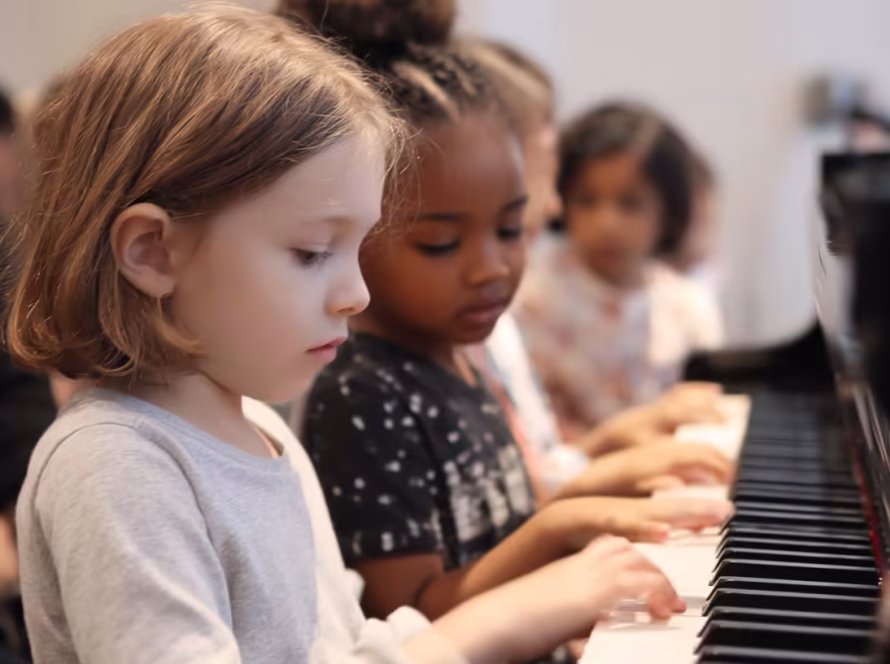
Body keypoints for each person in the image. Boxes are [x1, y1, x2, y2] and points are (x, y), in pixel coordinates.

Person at [7, 7, 686, 663]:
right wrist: (516, 612)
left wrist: (535, 602)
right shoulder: (116, 469)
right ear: (154, 252)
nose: (356, 294)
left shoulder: (266, 440)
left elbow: (345, 650)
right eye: (310, 253)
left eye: (359, 250)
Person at [296, 4, 732, 662]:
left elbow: (503, 533)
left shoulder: (465, 352)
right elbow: (408, 616)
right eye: (442, 243)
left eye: (510, 229)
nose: (495, 268)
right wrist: (563, 529)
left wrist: (599, 510)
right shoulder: (361, 395)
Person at [515, 101, 725, 436]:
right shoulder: (532, 297)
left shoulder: (690, 306)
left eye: (630, 203)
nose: (606, 224)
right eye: (586, 200)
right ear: (562, 199)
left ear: (669, 211)